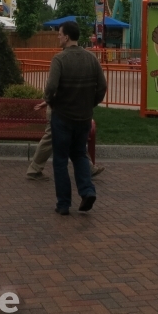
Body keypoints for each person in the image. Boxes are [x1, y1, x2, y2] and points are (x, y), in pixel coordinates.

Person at [44, 20, 107, 215]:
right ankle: (87, 191)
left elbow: (52, 87)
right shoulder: (91, 59)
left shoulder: (60, 60)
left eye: (60, 34)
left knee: (60, 159)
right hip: (84, 117)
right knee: (80, 154)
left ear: (67, 37)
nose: (58, 37)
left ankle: (63, 204)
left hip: (62, 116)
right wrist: (91, 103)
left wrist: (49, 101)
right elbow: (102, 86)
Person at [26, 103, 106, 181]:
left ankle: (88, 168)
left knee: (74, 138)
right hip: (59, 110)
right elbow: (55, 92)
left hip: (66, 109)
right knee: (50, 139)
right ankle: (34, 170)